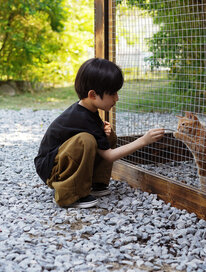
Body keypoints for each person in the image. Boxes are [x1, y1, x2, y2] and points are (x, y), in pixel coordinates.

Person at [34, 58, 165, 208]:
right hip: (51, 170)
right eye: (112, 93)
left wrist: (104, 134)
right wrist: (144, 140)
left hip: (60, 162)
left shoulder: (89, 111)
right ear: (93, 95)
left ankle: (97, 183)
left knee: (107, 135)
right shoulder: (80, 116)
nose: (117, 98)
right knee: (86, 140)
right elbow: (108, 155)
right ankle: (68, 194)